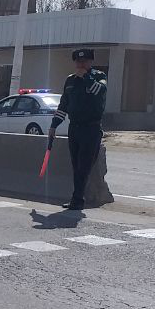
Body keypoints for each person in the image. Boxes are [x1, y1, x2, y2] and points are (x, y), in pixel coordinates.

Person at [48, 48, 107, 211]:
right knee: (76, 165)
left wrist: (86, 77)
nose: (81, 65)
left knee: (84, 166)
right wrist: (54, 125)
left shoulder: (99, 77)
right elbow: (63, 105)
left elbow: (99, 91)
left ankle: (78, 199)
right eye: (78, 62)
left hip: (91, 128)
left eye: (84, 61)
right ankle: (77, 198)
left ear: (90, 62)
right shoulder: (70, 80)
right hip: (74, 128)